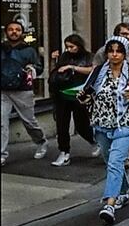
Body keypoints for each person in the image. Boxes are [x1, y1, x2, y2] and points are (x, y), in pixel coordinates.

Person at [78, 36, 129, 225]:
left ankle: (109, 204)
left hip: (126, 125)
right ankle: (123, 191)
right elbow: (88, 97)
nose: (114, 54)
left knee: (114, 161)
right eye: (111, 50)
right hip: (101, 125)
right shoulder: (97, 73)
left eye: (118, 51)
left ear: (125, 54)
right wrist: (83, 97)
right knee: (112, 162)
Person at [1, 20, 47, 165]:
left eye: (17, 30)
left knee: (29, 122)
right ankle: (2, 154)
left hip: (23, 91)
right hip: (3, 91)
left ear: (22, 33)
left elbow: (39, 68)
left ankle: (41, 141)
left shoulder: (29, 50)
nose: (14, 32)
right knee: (1, 123)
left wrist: (32, 68)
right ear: (6, 32)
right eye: (11, 29)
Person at [49, 34, 96, 166]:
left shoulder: (88, 57)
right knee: (62, 125)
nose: (69, 49)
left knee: (81, 124)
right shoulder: (64, 56)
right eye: (67, 47)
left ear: (79, 46)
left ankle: (94, 140)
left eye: (72, 46)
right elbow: (56, 72)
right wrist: (54, 61)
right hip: (62, 94)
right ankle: (64, 152)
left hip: (78, 94)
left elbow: (92, 70)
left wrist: (72, 67)